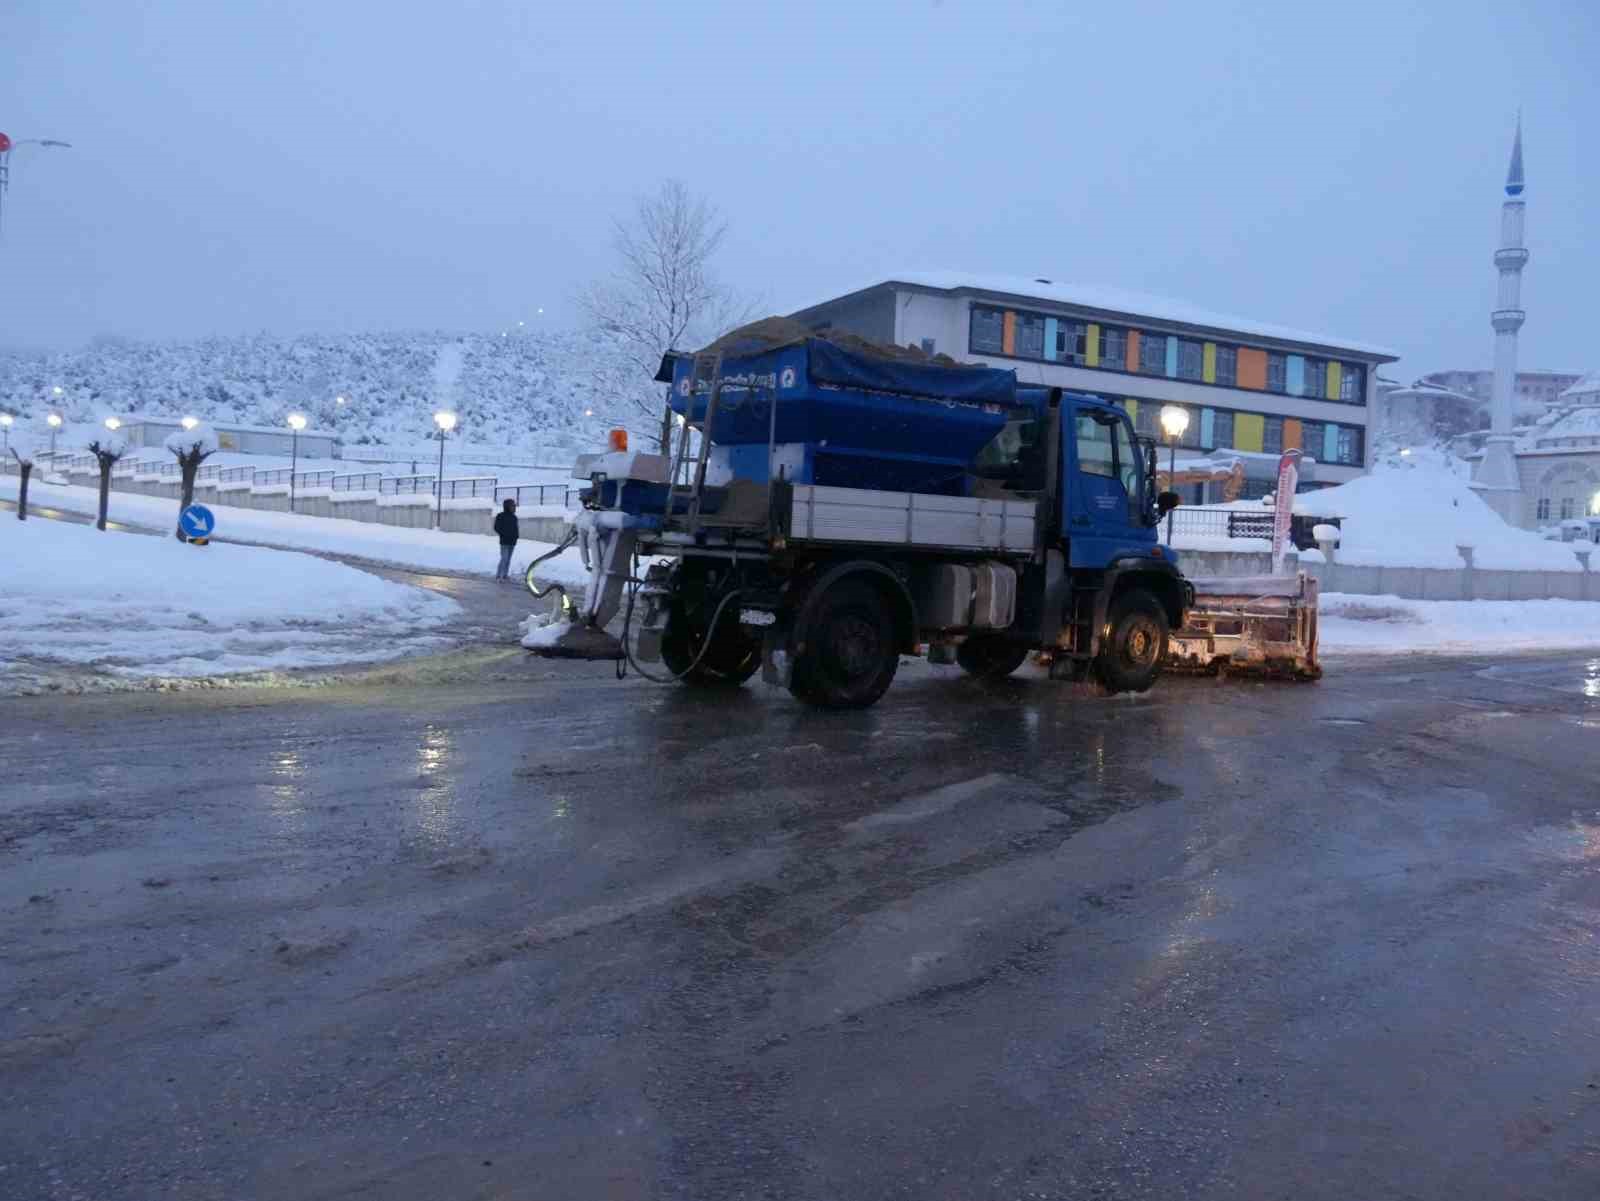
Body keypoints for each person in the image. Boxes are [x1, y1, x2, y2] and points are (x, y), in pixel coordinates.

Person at [492, 498, 519, 581]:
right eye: (512, 506)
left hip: (512, 542)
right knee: (504, 558)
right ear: (507, 506)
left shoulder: (514, 517)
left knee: (508, 559)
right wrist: (504, 534)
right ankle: (498, 575)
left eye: (514, 506)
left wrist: (516, 536)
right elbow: (496, 527)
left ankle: (505, 575)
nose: (514, 507)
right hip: (504, 541)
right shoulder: (500, 516)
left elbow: (516, 528)